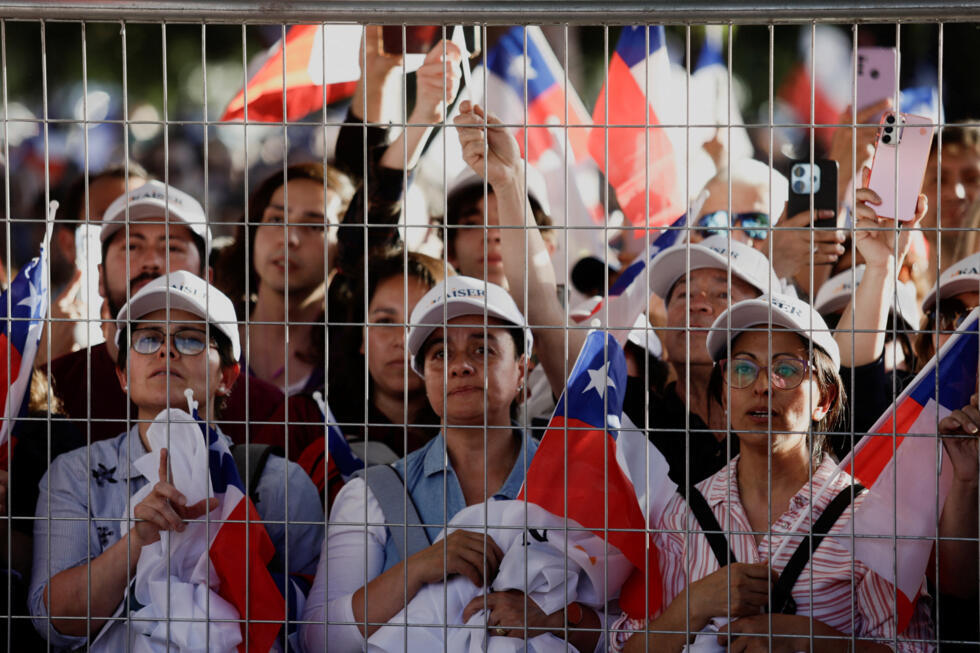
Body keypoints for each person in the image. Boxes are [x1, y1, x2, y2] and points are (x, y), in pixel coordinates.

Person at [613, 293, 935, 652]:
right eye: (742, 368)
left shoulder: (871, 520)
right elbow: (626, 644)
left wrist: (807, 639)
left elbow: (913, 648)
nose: (763, 386)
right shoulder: (680, 512)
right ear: (724, 389)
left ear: (824, 400)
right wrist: (692, 607)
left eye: (786, 369)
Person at [301, 275, 603, 653]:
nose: (461, 365)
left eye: (483, 349)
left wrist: (553, 620)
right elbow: (318, 638)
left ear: (522, 370)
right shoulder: (371, 495)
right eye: (441, 353)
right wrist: (419, 569)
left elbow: (628, 630)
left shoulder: (581, 484)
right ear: (424, 377)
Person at [29, 271, 323, 650]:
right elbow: (52, 623)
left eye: (190, 339)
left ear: (228, 377)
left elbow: (314, 630)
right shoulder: (73, 473)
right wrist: (136, 541)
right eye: (149, 338)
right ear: (122, 375)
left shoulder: (280, 482)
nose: (166, 351)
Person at [47, 179, 318, 452]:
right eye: (131, 246)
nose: (151, 261)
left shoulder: (263, 410)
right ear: (100, 277)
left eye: (172, 247)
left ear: (206, 278)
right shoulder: (51, 391)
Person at [328, 248, 448, 462]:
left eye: (421, 323)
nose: (403, 340)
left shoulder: (477, 431)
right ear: (361, 338)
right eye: (385, 322)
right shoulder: (318, 422)